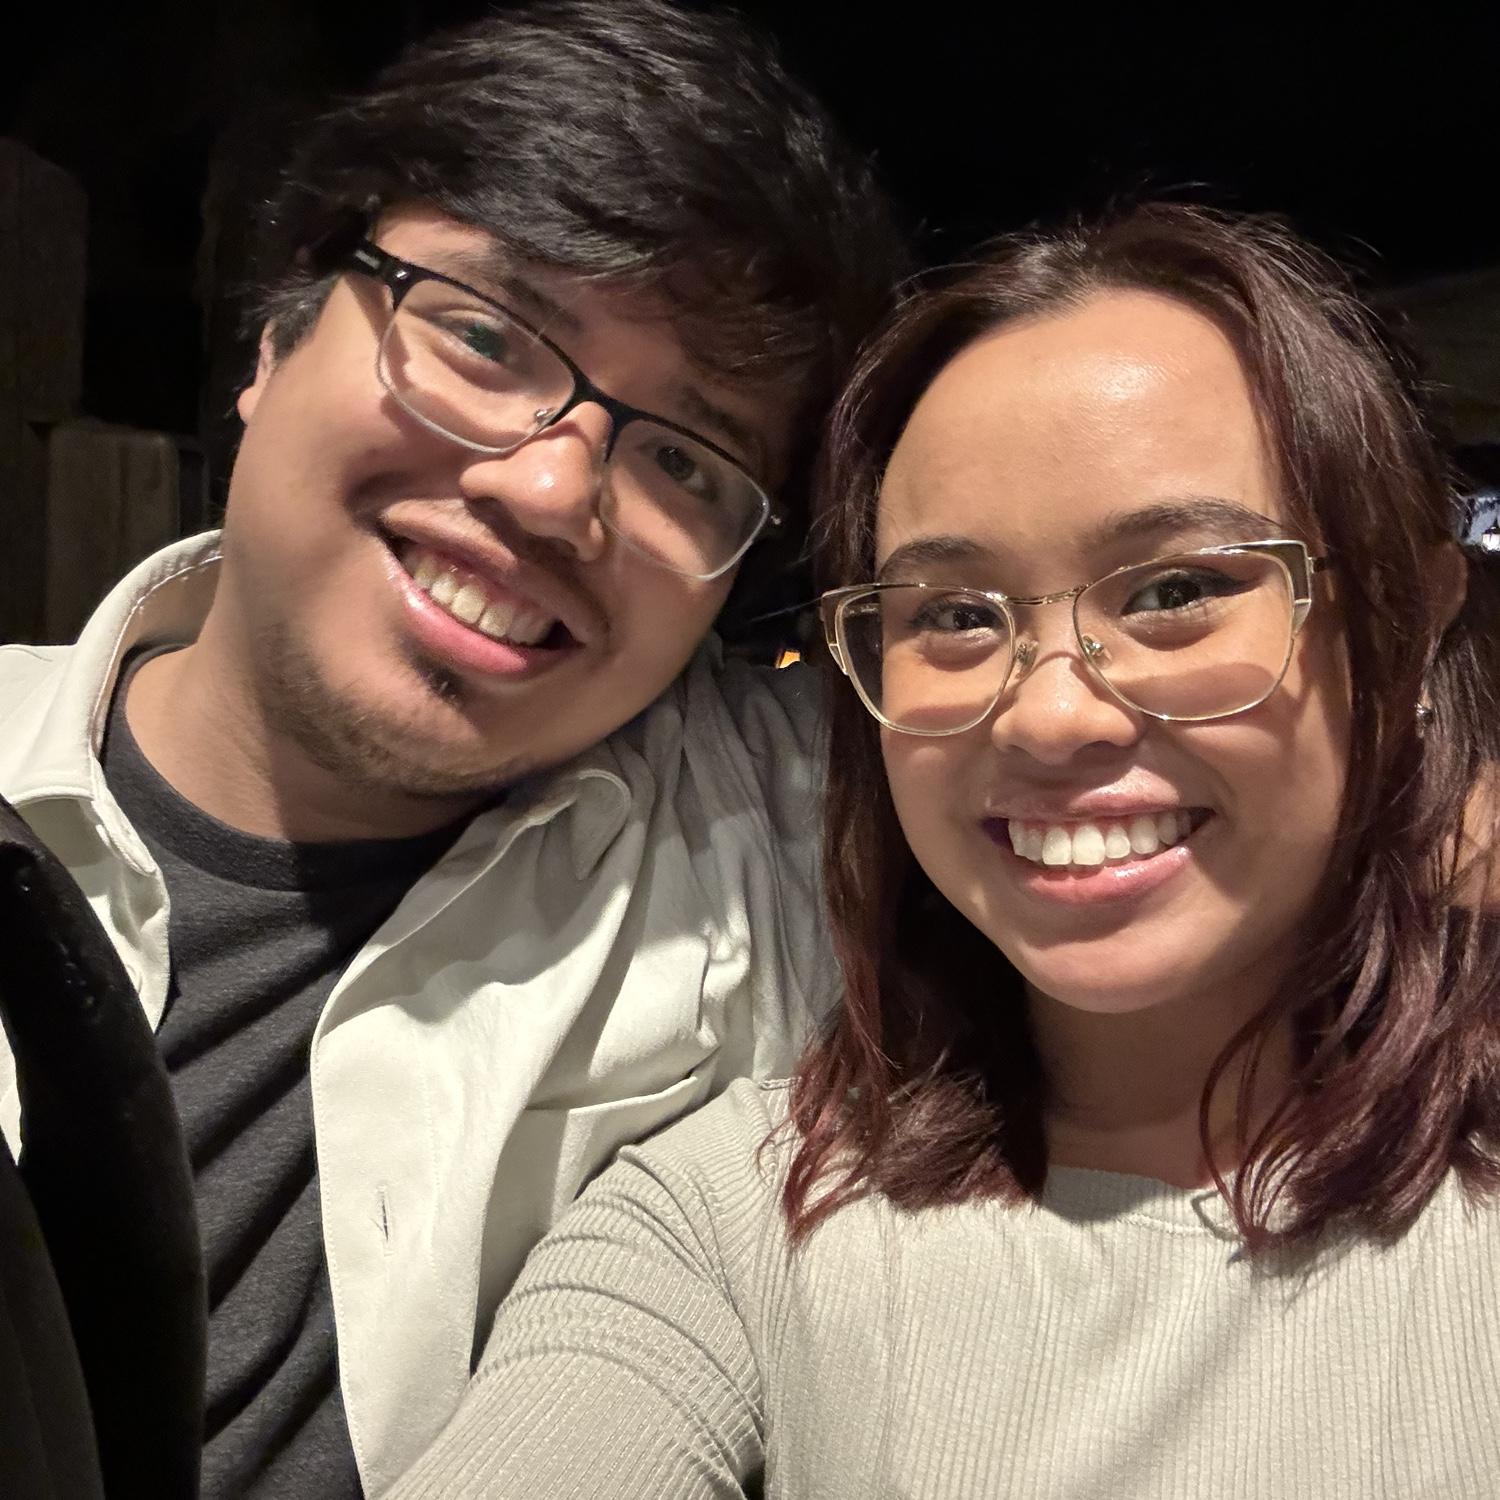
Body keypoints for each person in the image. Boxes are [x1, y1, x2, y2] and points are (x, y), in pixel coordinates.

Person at [386, 204, 1500, 1499]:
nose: (1050, 715)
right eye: (956, 615)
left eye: (1177, 591)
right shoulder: (738, 1226)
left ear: (1405, 627)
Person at [0, 2, 905, 1493]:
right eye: (484, 335)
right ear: (274, 341)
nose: (553, 491)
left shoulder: (781, 843)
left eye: (685, 460)